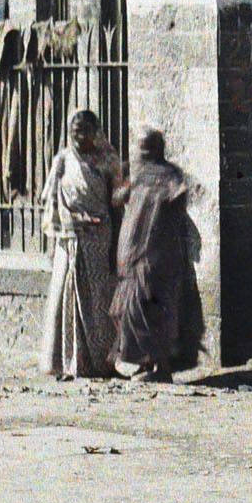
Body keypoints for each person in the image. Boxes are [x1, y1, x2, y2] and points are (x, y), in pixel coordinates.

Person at [40, 109, 125, 381]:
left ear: (95, 132)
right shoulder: (63, 161)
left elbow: (117, 204)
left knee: (99, 302)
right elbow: (52, 203)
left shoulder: (108, 161)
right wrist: (73, 220)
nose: (80, 137)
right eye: (75, 131)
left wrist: (116, 244)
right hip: (70, 242)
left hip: (99, 241)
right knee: (70, 300)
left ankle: (101, 363)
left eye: (86, 131)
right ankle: (71, 362)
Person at [110, 127, 190, 382]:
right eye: (139, 148)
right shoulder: (140, 175)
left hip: (157, 256)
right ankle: (145, 363)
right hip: (134, 257)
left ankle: (160, 368)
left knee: (152, 311)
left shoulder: (169, 175)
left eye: (145, 147)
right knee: (129, 311)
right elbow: (118, 198)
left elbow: (181, 196)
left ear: (157, 149)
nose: (140, 152)